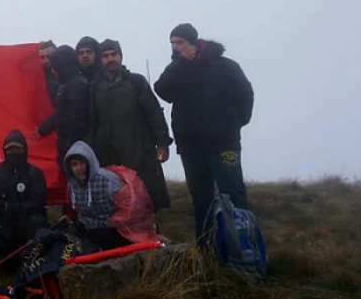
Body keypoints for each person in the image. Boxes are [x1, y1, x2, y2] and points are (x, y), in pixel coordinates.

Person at [154, 23, 255, 240]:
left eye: (179, 42)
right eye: (171, 43)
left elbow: (246, 95)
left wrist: (234, 124)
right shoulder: (179, 70)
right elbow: (162, 89)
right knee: (201, 199)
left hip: (224, 145)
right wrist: (182, 63)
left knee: (234, 194)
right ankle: (206, 249)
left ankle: (245, 247)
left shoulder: (225, 66)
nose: (174, 47)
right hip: (191, 148)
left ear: (193, 43)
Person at [87, 39, 172, 212]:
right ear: (100, 60)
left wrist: (162, 143)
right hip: (108, 153)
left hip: (139, 149)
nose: (110, 59)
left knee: (146, 198)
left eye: (113, 54)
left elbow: (154, 113)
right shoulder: (94, 87)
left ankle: (151, 235)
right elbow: (91, 121)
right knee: (117, 199)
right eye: (105, 56)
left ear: (121, 57)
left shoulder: (136, 82)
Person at [0, 130, 48, 258]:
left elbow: (39, 201)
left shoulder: (35, 173)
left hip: (27, 220)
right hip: (3, 222)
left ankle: (32, 261)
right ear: (5, 151)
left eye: (18, 148)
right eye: (10, 149)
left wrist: (14, 207)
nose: (13, 152)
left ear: (24, 150)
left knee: (38, 226)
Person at [32, 45, 90, 174]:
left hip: (74, 150)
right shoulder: (67, 85)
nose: (52, 70)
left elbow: (77, 121)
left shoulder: (76, 86)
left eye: (55, 67)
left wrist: (69, 149)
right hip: (68, 148)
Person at [63, 141, 130, 251]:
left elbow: (129, 209)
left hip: (113, 230)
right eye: (74, 164)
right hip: (88, 229)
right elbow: (74, 209)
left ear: (90, 162)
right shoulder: (71, 185)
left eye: (82, 163)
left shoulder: (108, 181)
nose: (79, 168)